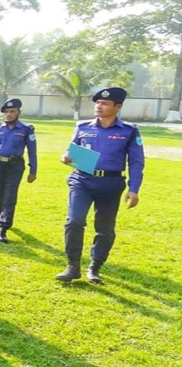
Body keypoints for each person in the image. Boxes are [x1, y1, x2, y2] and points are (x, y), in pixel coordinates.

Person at [56, 87, 144, 284]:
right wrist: (66, 157)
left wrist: (134, 189)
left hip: (110, 184)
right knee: (74, 221)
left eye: (105, 103)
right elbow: (71, 150)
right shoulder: (83, 126)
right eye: (97, 103)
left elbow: (136, 162)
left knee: (105, 228)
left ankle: (95, 267)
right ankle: (72, 266)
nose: (99, 106)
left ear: (118, 107)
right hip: (82, 180)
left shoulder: (129, 131)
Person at [0, 99, 37, 243]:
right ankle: (2, 216)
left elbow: (32, 151)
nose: (9, 114)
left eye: (12, 111)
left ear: (19, 112)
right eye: (6, 112)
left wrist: (33, 170)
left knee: (10, 195)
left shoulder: (26, 129)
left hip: (15, 165)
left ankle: (4, 227)